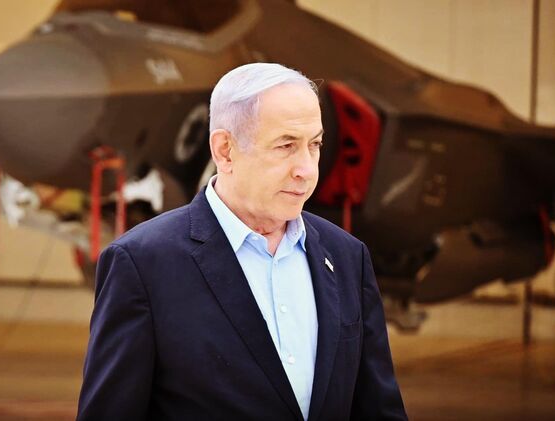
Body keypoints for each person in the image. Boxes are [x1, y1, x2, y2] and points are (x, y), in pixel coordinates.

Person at [77, 63, 407, 420]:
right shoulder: (142, 264)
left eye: (314, 145)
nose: (307, 169)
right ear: (225, 150)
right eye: (286, 145)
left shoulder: (347, 256)